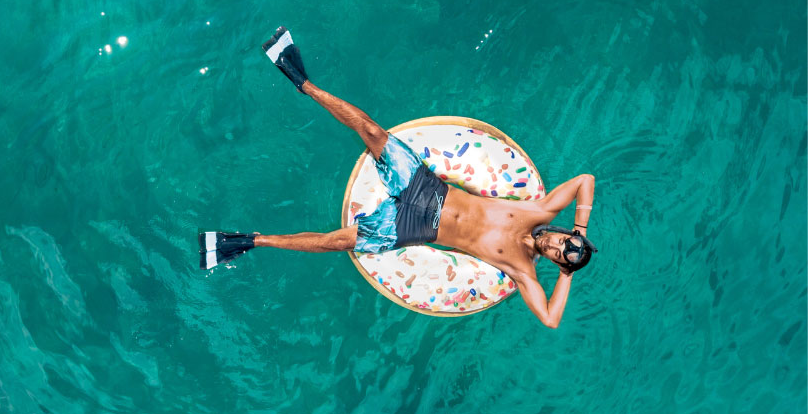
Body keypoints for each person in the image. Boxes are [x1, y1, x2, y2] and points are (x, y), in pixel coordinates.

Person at [199, 27, 598, 328]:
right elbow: (586, 179)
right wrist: (581, 227)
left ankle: (249, 241)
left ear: (554, 261)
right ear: (564, 232)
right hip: (428, 188)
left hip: (414, 226)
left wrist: (566, 275)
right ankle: (301, 80)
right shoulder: (537, 211)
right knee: (372, 131)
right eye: (565, 242)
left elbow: (550, 318)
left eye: (561, 254)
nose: (558, 246)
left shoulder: (522, 269)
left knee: (336, 242)